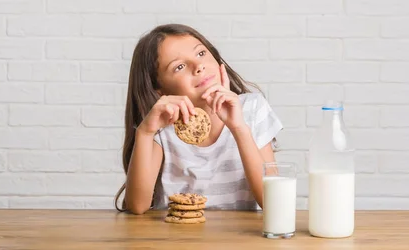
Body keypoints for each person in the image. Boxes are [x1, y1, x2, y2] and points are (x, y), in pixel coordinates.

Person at [114, 23, 283, 214]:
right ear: (158, 89)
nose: (198, 66)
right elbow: (137, 206)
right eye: (179, 67)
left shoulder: (252, 109)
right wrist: (145, 132)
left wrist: (238, 128)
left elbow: (272, 202)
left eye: (201, 54)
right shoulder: (161, 126)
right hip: (177, 239)